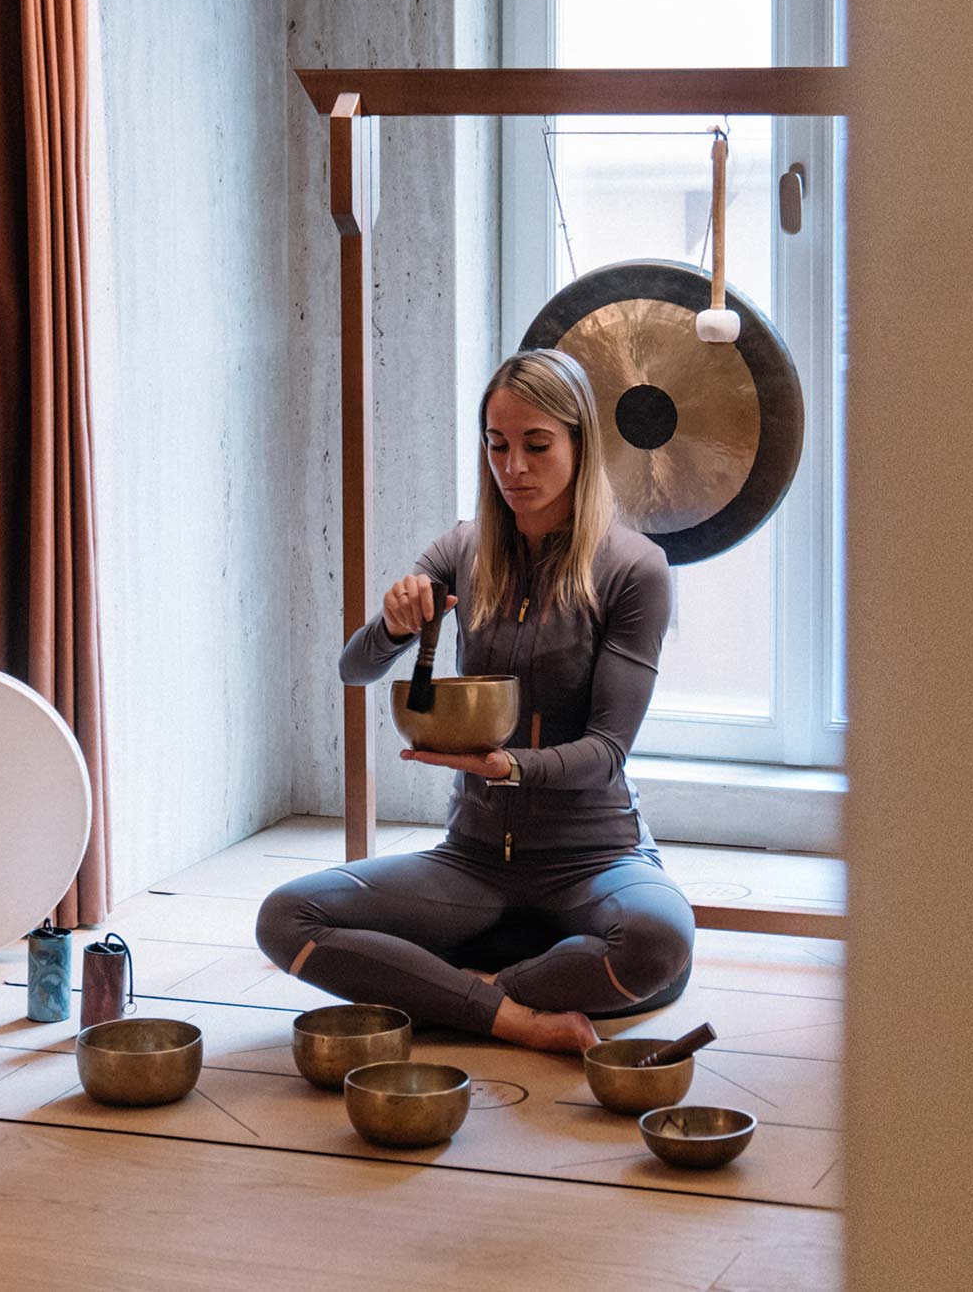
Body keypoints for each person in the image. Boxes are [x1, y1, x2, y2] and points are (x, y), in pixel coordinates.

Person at [255, 348, 696, 1053]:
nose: (513, 467)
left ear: (580, 442)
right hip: (474, 857)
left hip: (595, 855)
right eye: (497, 445)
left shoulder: (632, 569)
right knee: (285, 916)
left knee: (659, 939)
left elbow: (608, 752)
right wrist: (394, 624)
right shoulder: (464, 549)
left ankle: (459, 996)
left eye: (536, 444)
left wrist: (509, 767)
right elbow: (354, 668)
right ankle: (515, 1015)